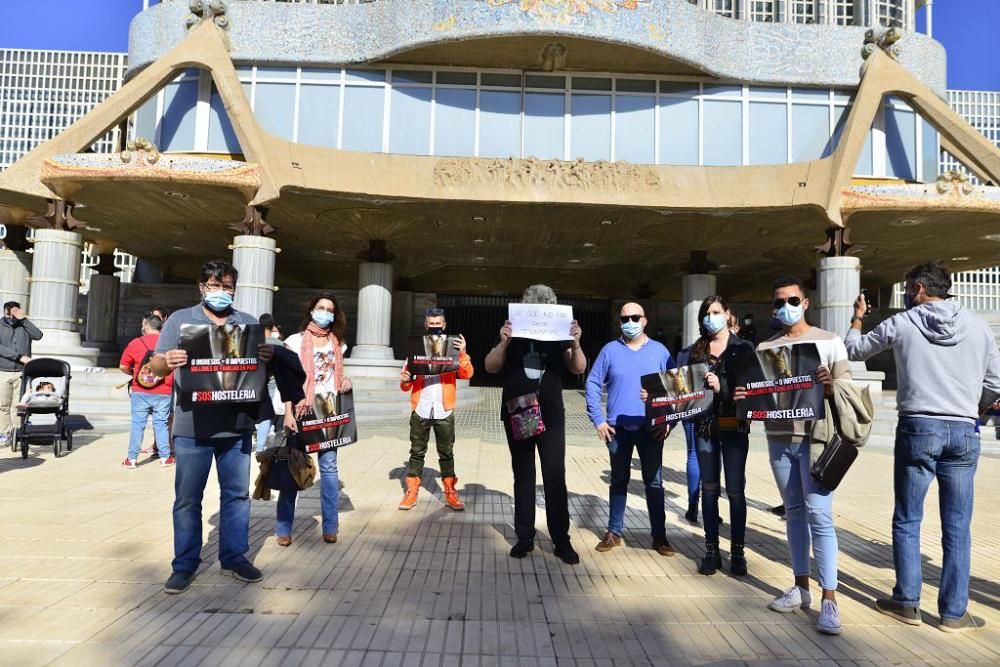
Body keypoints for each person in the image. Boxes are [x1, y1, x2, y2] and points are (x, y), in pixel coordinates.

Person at [845, 262, 1000, 633]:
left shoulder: (903, 322)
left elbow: (854, 351)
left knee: (908, 518)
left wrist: (857, 318)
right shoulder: (980, 327)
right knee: (958, 527)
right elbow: (995, 383)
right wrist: (973, 407)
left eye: (906, 289)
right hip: (963, 431)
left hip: (918, 426)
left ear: (917, 289)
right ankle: (953, 613)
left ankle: (906, 602)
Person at [149, 259, 274, 594]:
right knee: (188, 499)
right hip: (192, 427)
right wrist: (167, 362)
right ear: (202, 287)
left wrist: (264, 358)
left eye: (227, 286)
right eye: (215, 286)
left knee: (236, 496)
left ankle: (234, 558)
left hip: (236, 427)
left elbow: (260, 373)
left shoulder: (247, 324)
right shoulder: (179, 321)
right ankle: (184, 565)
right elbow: (156, 366)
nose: (221, 292)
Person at [735, 275, 850, 636]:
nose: (784, 306)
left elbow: (848, 390)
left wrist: (831, 385)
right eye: (778, 301)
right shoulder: (766, 348)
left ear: (806, 302)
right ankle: (801, 587)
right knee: (795, 514)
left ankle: (829, 597)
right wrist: (744, 397)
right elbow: (762, 392)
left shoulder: (829, 342)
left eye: (791, 299)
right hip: (779, 440)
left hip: (814, 441)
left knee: (820, 514)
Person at [484, 284, 586, 565]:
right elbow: (491, 366)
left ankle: (561, 540)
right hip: (520, 411)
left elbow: (578, 367)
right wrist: (503, 342)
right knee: (524, 475)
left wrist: (575, 342)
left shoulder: (559, 333)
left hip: (551, 413)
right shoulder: (513, 331)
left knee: (555, 476)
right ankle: (525, 536)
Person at [586, 302, 674, 556]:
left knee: (654, 482)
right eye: (624, 318)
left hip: (652, 428)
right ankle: (614, 532)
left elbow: (678, 390)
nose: (630, 322)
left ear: (645, 320)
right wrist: (599, 419)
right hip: (617, 428)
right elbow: (592, 383)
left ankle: (659, 536)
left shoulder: (660, 352)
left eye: (635, 317)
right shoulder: (609, 351)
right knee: (619, 480)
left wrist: (668, 420)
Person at [678, 296, 754, 576]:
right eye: (706, 314)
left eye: (716, 312)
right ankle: (711, 550)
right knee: (709, 491)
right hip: (705, 428)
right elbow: (681, 390)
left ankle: (737, 551)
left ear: (727, 314)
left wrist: (721, 385)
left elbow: (751, 388)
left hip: (734, 427)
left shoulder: (743, 348)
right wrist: (658, 399)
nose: (711, 318)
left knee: (735, 491)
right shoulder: (696, 351)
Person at [278, 294, 353, 546]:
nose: (324, 313)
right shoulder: (294, 341)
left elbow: (337, 376)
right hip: (301, 412)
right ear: (311, 310)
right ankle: (284, 528)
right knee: (293, 469)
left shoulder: (338, 344)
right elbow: (289, 381)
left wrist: (345, 381)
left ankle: (330, 526)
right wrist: (288, 413)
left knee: (330, 470)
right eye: (320, 308)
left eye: (329, 310)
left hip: (329, 413)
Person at [398, 307, 474, 511]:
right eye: (431, 325)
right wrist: (405, 380)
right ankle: (412, 491)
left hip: (444, 409)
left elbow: (467, 374)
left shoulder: (452, 349)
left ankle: (450, 491)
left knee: (447, 453)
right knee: (416, 452)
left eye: (438, 324)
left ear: (444, 325)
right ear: (425, 325)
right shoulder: (416, 350)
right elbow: (405, 383)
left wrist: (463, 353)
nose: (434, 328)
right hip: (421, 407)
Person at [119, 314, 174, 469]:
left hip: (140, 390)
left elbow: (123, 366)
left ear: (147, 326)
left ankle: (131, 459)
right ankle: (165, 457)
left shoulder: (135, 343)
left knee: (138, 424)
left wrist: (135, 374)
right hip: (164, 390)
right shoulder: (170, 344)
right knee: (161, 423)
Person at [0, 301, 42, 447]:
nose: (11, 317)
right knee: (2, 406)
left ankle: (17, 434)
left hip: (21, 372)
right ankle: (5, 434)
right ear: (4, 312)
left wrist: (23, 319)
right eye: (8, 313)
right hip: (2, 371)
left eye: (14, 313)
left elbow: (38, 335)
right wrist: (19, 357)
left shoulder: (24, 325)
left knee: (18, 406)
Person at [253, 313, 283, 453]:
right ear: (272, 326)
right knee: (266, 413)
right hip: (270, 380)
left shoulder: (252, 341)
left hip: (252, 380)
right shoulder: (279, 344)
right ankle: (260, 445)